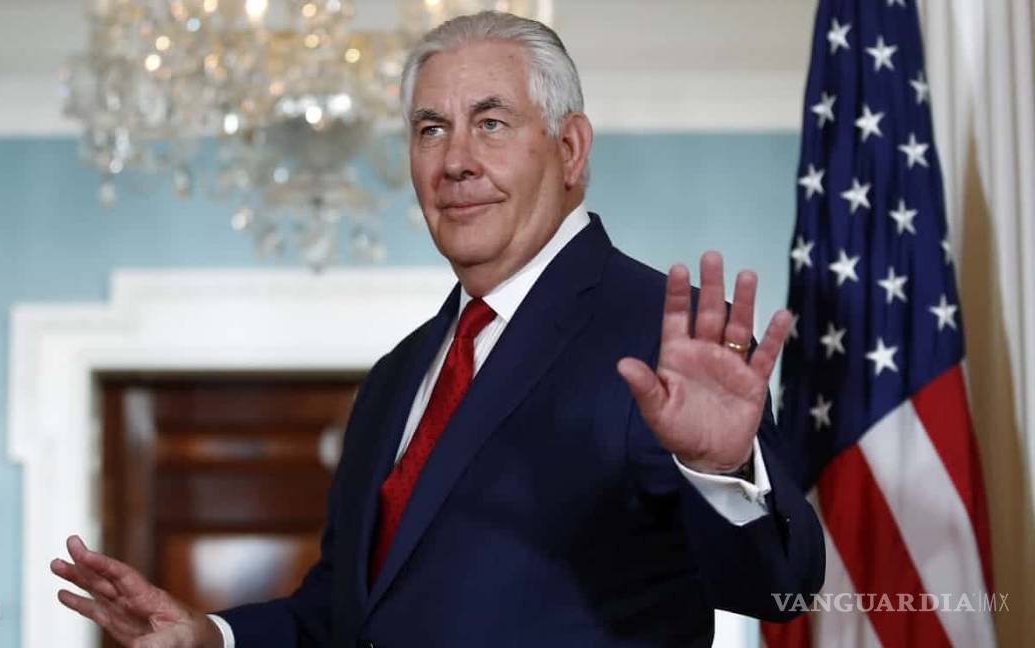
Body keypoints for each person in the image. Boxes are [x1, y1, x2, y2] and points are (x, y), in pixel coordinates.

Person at [52, 11, 824, 647]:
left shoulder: (661, 335)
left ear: (570, 149)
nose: (455, 161)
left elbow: (780, 592)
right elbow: (348, 614)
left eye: (490, 123)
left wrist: (722, 471)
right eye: (430, 129)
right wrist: (213, 635)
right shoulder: (398, 375)